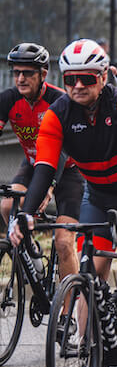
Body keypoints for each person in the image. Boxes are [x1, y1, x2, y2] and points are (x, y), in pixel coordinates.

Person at [9, 40, 117, 367]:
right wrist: (26, 214)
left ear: (101, 77)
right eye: (70, 80)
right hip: (97, 195)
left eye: (85, 78)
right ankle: (89, 359)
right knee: (89, 277)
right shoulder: (58, 115)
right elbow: (44, 170)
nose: (77, 86)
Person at [0, 43, 84, 289]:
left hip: (67, 170)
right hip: (32, 164)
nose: (21, 78)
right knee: (7, 207)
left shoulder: (59, 100)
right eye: (17, 72)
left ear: (43, 75)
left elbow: (64, 149)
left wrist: (49, 187)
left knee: (64, 242)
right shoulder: (8, 99)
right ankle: (31, 251)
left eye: (28, 73)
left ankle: (67, 312)